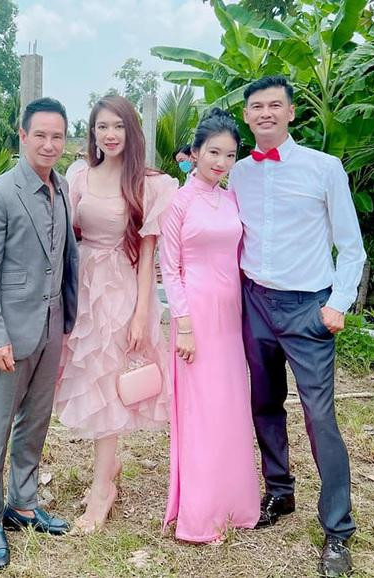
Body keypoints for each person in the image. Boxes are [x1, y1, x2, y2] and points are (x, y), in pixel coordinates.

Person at [229, 76, 366, 577]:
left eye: (274, 105)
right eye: (256, 106)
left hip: (309, 307)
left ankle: (338, 530)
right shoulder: (238, 172)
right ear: (247, 115)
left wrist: (338, 303)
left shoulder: (323, 168)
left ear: (290, 113)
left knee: (319, 417)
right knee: (264, 403)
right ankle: (279, 491)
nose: (265, 113)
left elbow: (351, 246)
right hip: (255, 303)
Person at [54, 95, 177, 533]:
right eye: (102, 126)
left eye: (118, 126)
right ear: (92, 132)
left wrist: (142, 313)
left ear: (131, 131)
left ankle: (102, 490)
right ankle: (110, 470)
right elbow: (68, 237)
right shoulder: (78, 176)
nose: (110, 134)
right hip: (83, 286)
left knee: (108, 384)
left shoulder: (148, 184)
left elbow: (147, 256)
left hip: (121, 289)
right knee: (88, 377)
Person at [0, 97, 79, 569]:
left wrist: (68, 318)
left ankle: (23, 503)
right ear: (23, 135)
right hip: (11, 332)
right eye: (41, 135)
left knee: (36, 419)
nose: (49, 144)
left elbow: (66, 257)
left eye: (57, 136)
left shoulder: (63, 187)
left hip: (53, 323)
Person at [160, 109, 260, 543]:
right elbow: (170, 268)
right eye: (214, 152)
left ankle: (236, 505)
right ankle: (201, 514)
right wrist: (183, 325)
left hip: (230, 314)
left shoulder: (232, 198)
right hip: (195, 316)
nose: (221, 162)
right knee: (201, 410)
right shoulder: (179, 202)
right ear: (196, 152)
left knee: (230, 406)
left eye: (230, 155)